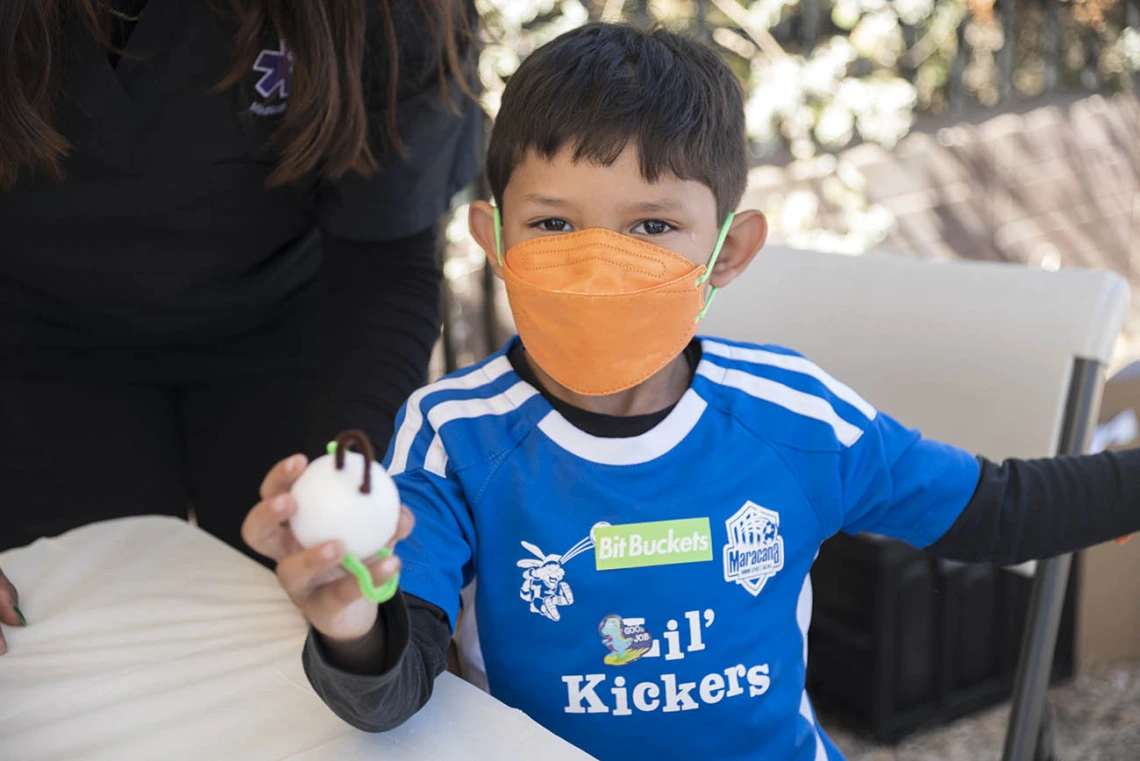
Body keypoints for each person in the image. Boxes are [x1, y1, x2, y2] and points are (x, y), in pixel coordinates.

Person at [242, 23, 1140, 761]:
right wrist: (352, 621)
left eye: (653, 226)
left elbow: (1003, 510)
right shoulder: (449, 434)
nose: (599, 262)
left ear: (731, 251)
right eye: (553, 223)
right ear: (494, 237)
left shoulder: (797, 418)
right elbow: (394, 688)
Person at [0, 0, 480, 656]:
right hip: (33, 337)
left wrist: (345, 475)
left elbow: (386, 255)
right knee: (68, 651)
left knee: (301, 653)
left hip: (296, 324)